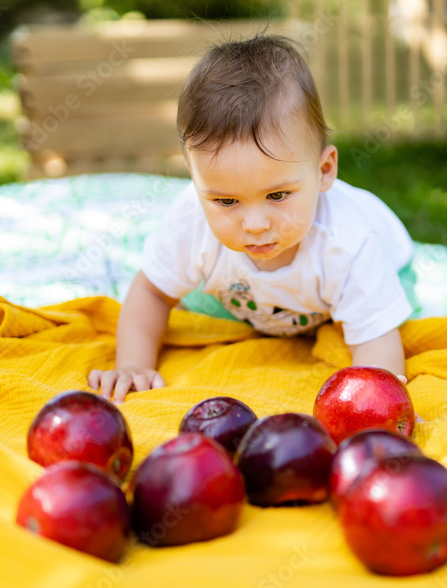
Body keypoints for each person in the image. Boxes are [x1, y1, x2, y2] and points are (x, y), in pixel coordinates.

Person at [88, 33, 416, 404]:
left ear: (324, 171)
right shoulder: (191, 221)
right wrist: (133, 363)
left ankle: (337, 309)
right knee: (195, 305)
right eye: (226, 200)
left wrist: (375, 408)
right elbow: (151, 290)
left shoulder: (349, 243)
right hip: (248, 293)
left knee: (380, 321)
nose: (255, 224)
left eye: (277, 195)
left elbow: (377, 347)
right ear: (197, 182)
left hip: (387, 267)